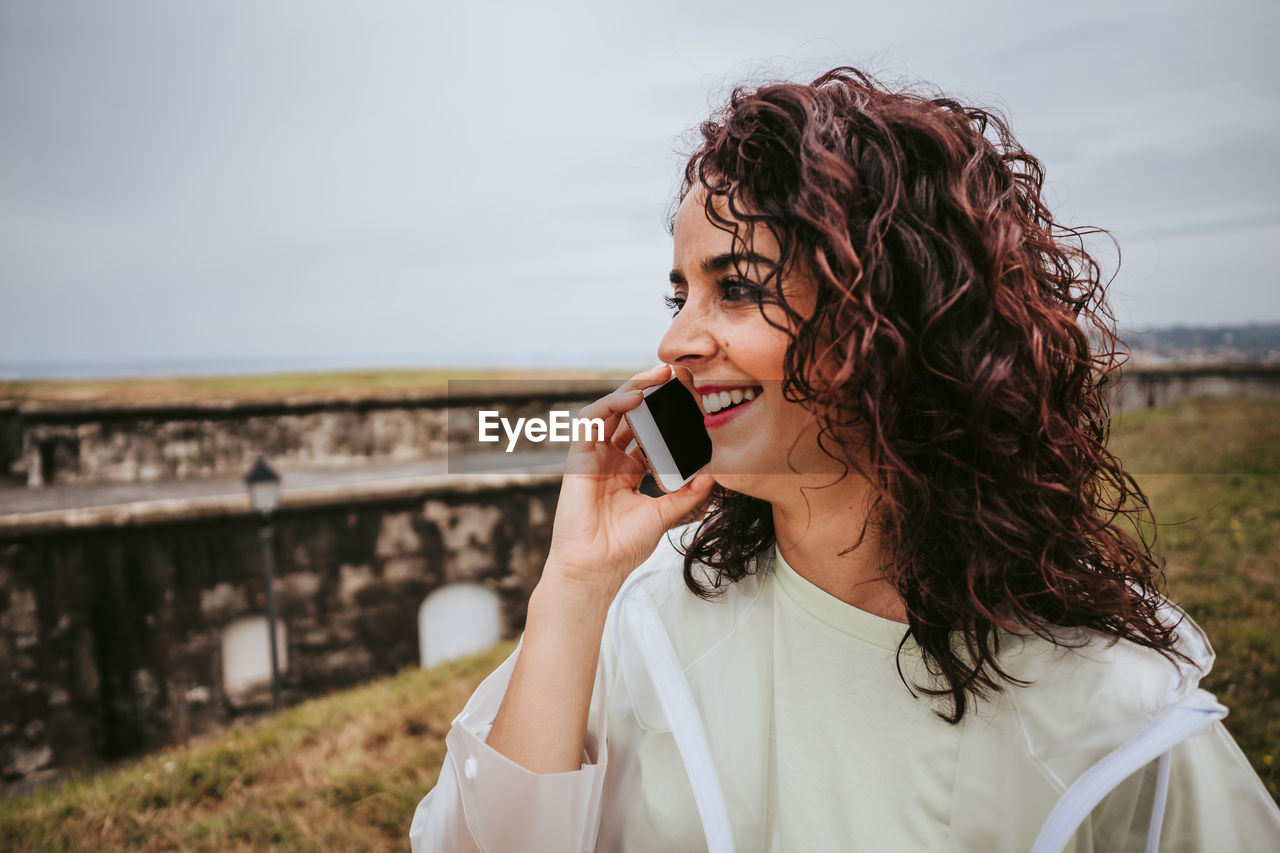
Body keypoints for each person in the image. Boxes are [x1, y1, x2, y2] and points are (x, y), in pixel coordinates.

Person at [410, 66, 1280, 852]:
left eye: (738, 286)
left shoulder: (1115, 714)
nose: (675, 339)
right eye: (680, 293)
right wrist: (573, 586)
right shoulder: (645, 615)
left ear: (895, 321)